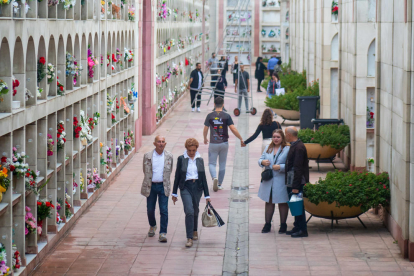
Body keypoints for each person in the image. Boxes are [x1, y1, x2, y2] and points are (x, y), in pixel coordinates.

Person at [171, 138, 211, 248]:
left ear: (196, 149)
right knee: (189, 210)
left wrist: (207, 195)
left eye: (193, 150)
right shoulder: (181, 159)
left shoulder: (200, 160)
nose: (191, 153)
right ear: (186, 149)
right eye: (189, 150)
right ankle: (189, 237)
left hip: (197, 187)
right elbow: (177, 176)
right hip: (185, 187)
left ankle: (194, 230)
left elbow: (203, 178)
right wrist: (174, 193)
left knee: (195, 209)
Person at [204, 97, 245, 191]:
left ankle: (214, 177)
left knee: (211, 163)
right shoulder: (227, 116)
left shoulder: (210, 116)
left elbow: (206, 128)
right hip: (224, 143)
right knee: (222, 164)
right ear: (223, 104)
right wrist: (240, 138)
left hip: (213, 143)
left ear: (214, 104)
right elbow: (233, 129)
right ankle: (219, 184)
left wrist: (205, 138)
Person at [141, 136, 174, 243]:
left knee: (163, 210)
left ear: (165, 143)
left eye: (163, 142)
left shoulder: (169, 156)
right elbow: (144, 170)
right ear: (154, 143)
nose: (161, 144)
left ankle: (163, 232)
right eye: (159, 142)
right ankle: (152, 225)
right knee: (150, 209)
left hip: (163, 186)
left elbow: (170, 170)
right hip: (151, 186)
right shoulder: (148, 156)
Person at [258, 130, 290, 234]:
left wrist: (280, 167)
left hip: (281, 180)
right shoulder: (268, 147)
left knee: (282, 202)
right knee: (269, 201)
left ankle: (283, 224)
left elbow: (291, 165)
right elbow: (261, 159)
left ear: (282, 138)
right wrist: (262, 162)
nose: (275, 139)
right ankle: (267, 224)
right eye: (274, 137)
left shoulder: (287, 149)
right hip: (269, 180)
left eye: (278, 137)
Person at [284, 126, 309, 238]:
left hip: (296, 181)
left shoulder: (298, 147)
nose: (285, 136)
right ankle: (297, 226)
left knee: (298, 205)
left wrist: (296, 186)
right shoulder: (295, 145)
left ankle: (302, 229)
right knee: (295, 204)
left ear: (289, 135)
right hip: (292, 180)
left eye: (285, 134)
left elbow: (298, 168)